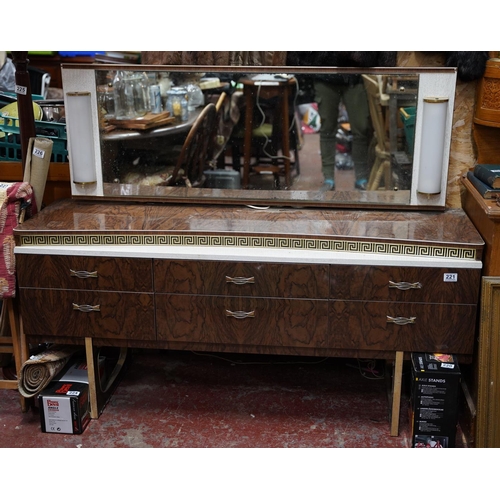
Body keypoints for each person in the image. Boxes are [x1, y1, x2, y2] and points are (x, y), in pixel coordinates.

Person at [314, 74, 371, 190]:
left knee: (361, 128)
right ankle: (328, 179)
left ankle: (361, 178)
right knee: (327, 129)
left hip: (355, 75)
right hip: (325, 74)